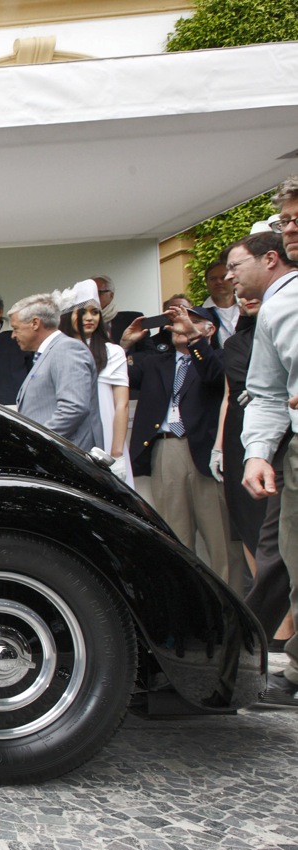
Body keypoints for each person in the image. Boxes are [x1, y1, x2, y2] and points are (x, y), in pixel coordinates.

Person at [237, 186, 298, 661]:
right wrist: (257, 451)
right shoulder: (280, 305)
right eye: (287, 219)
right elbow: (267, 392)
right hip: (294, 455)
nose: (291, 227)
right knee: (291, 565)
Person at [127, 302, 228, 581]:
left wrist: (195, 340)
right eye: (176, 319)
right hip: (166, 448)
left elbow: (215, 376)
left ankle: (232, 609)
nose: (180, 324)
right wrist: (124, 344)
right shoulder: (154, 362)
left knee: (219, 538)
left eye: (190, 319)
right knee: (176, 536)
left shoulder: (218, 356)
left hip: (205, 453)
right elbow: (115, 376)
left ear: (210, 329)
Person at [10, 292, 100, 450]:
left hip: (65, 457)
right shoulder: (50, 352)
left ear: (35, 323)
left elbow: (73, 408)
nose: (13, 335)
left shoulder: (66, 349)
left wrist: (35, 440)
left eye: (16, 328)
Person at [66, 303, 132, 485]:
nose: (89, 318)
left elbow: (122, 405)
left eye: (95, 312)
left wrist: (117, 454)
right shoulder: (59, 351)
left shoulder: (113, 352)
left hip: (107, 433)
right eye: (83, 312)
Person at [93, 275, 144, 344]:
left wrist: (128, 354)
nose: (93, 296)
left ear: (111, 295)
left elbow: (149, 351)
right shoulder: (78, 321)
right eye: (90, 293)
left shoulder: (133, 319)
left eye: (99, 292)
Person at [204, 258, 240, 347]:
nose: (218, 282)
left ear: (233, 280)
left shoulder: (249, 307)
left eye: (223, 277)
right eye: (213, 279)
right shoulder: (200, 314)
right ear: (207, 283)